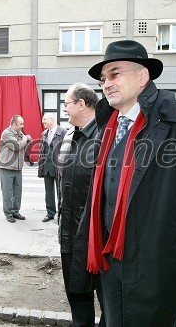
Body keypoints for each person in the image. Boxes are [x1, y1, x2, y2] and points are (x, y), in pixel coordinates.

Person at [70, 40, 176, 326]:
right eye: (103, 78)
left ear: (143, 76)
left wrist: (175, 234)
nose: (106, 83)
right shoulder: (107, 126)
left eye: (115, 73)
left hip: (157, 265)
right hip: (109, 262)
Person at [57, 82, 105, 327]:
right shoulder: (69, 135)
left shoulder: (106, 136)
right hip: (69, 235)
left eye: (66, 104)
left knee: (106, 299)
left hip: (95, 240)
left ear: (82, 104)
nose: (64, 109)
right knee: (77, 295)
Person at [0, 115, 32, 223]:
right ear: (14, 124)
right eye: (21, 124)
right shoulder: (6, 133)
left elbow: (22, 149)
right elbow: (16, 146)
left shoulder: (20, 134)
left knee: (17, 192)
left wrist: (27, 141)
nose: (23, 126)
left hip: (18, 167)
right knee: (7, 192)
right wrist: (25, 139)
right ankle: (8, 213)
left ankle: (16, 211)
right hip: (7, 167)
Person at [38, 113, 66, 222]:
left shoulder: (63, 132)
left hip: (59, 168)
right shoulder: (44, 133)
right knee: (48, 193)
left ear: (52, 119)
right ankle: (50, 213)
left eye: (44, 119)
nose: (43, 121)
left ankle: (61, 215)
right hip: (47, 168)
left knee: (61, 192)